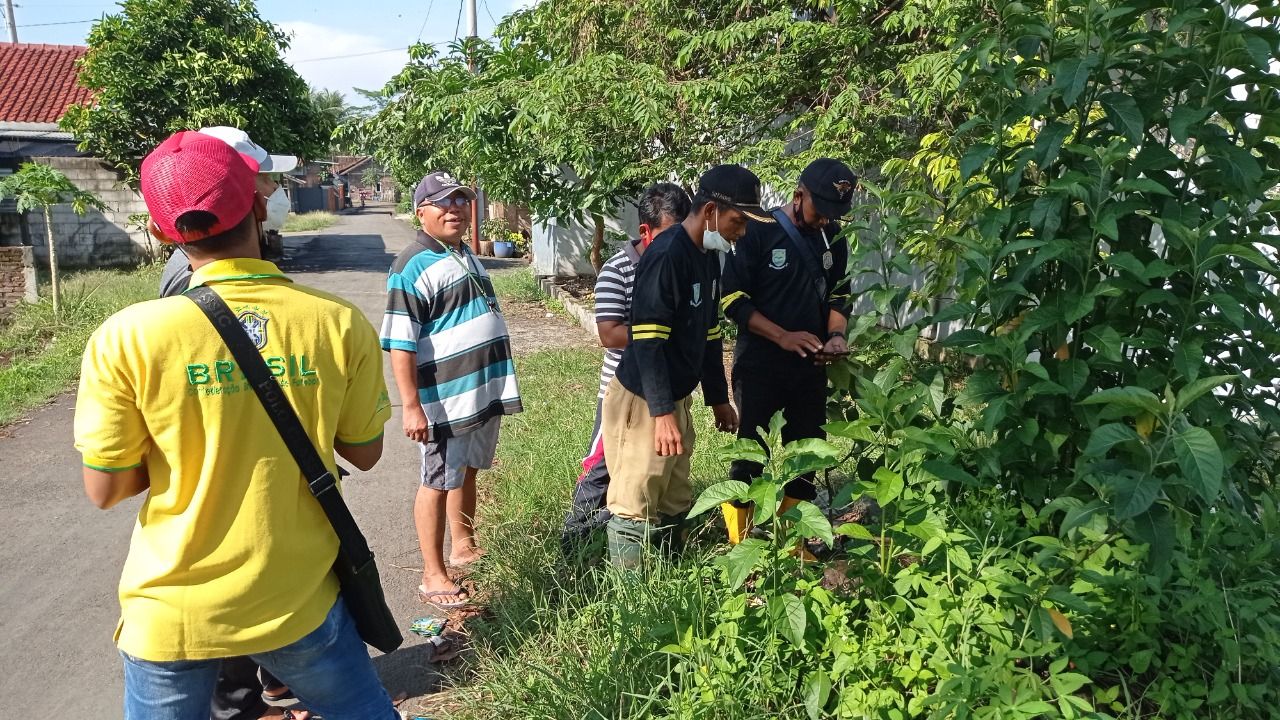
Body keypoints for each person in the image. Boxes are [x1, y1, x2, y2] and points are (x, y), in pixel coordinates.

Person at [73, 131, 397, 719]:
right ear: (257, 205)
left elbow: (105, 488)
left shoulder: (126, 337)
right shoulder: (337, 322)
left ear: (160, 228)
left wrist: (186, 439)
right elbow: (366, 451)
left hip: (170, 611)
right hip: (296, 597)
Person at [153, 127, 306, 720]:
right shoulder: (185, 281)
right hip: (218, 493)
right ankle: (245, 697)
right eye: (265, 178)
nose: (274, 188)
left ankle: (267, 684)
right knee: (231, 633)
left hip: (256, 484)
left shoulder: (252, 257)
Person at [603, 164, 769, 567]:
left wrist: (717, 398)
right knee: (635, 497)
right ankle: (632, 603)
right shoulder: (667, 256)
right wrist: (661, 415)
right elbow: (648, 342)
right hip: (644, 399)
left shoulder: (708, 257)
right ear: (711, 211)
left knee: (674, 493)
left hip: (675, 396)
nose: (742, 231)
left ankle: (668, 573)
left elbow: (709, 336)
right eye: (737, 221)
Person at [380, 171, 523, 607]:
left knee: (468, 470)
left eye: (461, 201)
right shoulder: (411, 265)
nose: (455, 209)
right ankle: (433, 573)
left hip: (479, 393)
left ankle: (462, 544)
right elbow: (401, 344)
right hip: (444, 399)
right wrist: (411, 407)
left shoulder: (462, 253)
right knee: (438, 479)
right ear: (421, 211)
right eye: (443, 203)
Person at [719, 158, 858, 545]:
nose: (825, 220)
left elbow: (839, 294)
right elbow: (733, 300)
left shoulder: (834, 238)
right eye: (821, 210)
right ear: (799, 195)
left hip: (809, 368)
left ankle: (796, 544)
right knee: (752, 451)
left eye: (835, 213)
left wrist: (835, 335)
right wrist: (781, 336)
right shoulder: (757, 232)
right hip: (760, 365)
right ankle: (741, 543)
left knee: (806, 454)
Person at [559, 183, 691, 557]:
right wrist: (657, 333)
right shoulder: (619, 270)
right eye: (668, 236)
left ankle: (663, 551)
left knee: (660, 472)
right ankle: (576, 545)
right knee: (600, 469)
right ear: (645, 231)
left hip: (666, 392)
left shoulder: (682, 265)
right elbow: (610, 333)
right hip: (624, 392)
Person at [158, 126, 295, 298]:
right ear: (233, 185)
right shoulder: (189, 275)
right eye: (265, 177)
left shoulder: (196, 257)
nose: (275, 187)